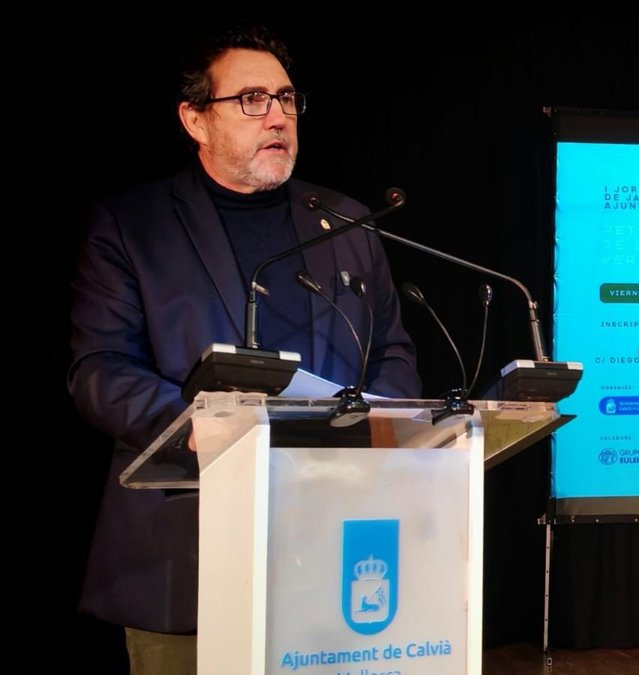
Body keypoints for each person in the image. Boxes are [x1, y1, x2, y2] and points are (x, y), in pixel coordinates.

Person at [67, 24, 421, 673]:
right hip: (189, 547)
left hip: (334, 543)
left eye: (286, 99)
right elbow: (100, 369)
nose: (278, 116)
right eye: (252, 99)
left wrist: (378, 427)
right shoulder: (132, 224)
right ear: (195, 119)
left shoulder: (346, 221)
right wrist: (198, 425)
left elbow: (391, 351)